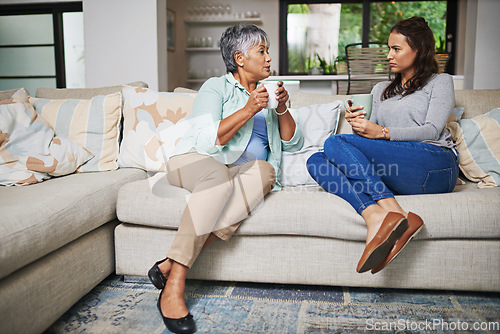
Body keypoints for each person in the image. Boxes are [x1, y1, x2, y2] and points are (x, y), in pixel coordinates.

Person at [148, 24, 303, 333]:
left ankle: (168, 263)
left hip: (238, 172)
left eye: (268, 51)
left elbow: (292, 143)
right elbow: (208, 142)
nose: (269, 57)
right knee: (218, 175)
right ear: (240, 58)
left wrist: (282, 108)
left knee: (266, 171)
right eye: (262, 51)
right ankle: (175, 283)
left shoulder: (268, 92)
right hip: (192, 161)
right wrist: (249, 108)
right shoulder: (215, 87)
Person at [306, 16, 459, 275]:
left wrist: (382, 132)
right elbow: (370, 141)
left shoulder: (439, 82)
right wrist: (361, 127)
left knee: (335, 142)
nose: (389, 55)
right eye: (389, 48)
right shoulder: (380, 90)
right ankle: (375, 216)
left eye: (396, 49)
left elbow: (432, 129)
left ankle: (393, 213)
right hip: (400, 170)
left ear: (419, 50)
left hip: (435, 163)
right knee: (316, 161)